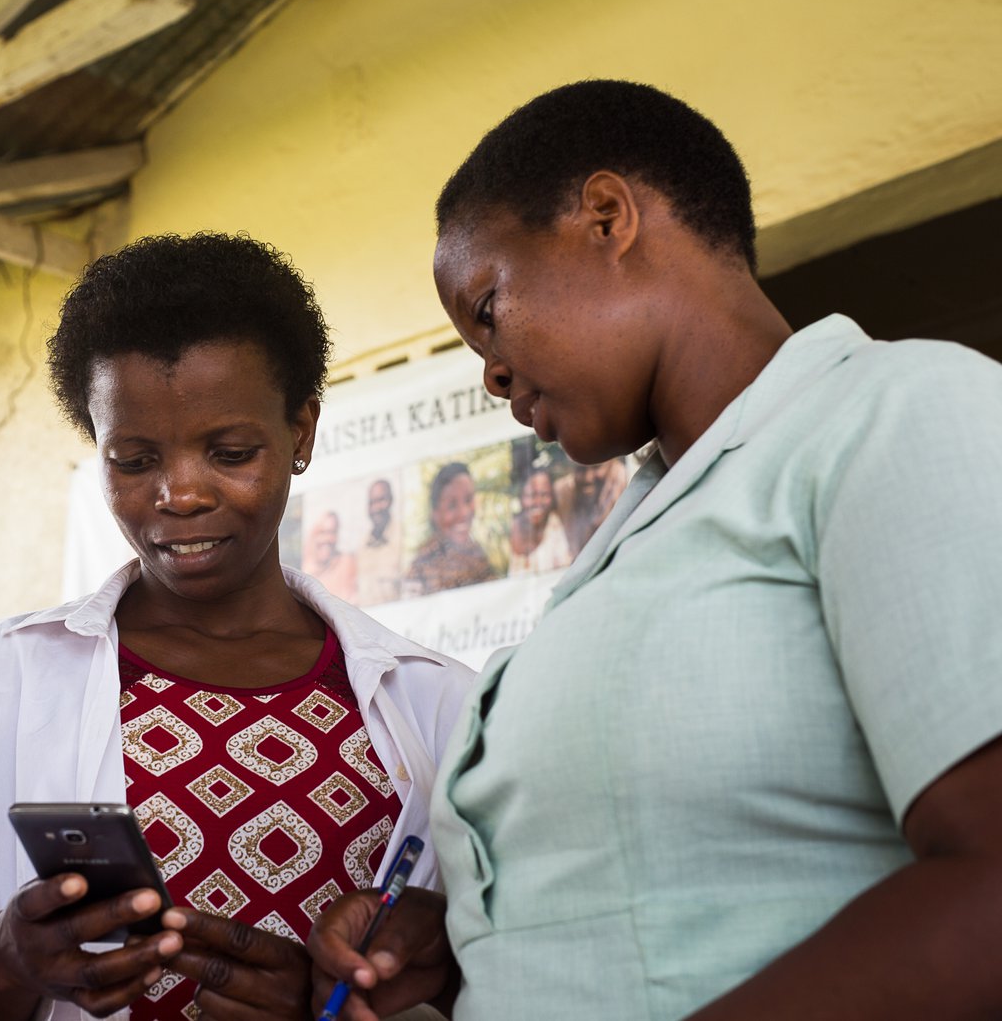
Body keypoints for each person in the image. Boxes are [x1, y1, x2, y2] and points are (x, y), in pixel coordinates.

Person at [308, 80, 1002, 1020]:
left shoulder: (897, 413)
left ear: (607, 217)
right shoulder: (633, 540)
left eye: (489, 308)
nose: (492, 373)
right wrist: (469, 942)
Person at [0, 233, 477, 1021]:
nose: (180, 494)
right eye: (133, 461)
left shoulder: (439, 704)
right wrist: (4, 960)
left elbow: (495, 980)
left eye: (229, 452)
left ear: (301, 432)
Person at [405, 462, 500, 594]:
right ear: (436, 514)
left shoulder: (476, 553)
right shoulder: (422, 564)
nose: (464, 513)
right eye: (452, 505)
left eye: (468, 500)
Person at [506, 466, 571, 576]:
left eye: (544, 494)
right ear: (521, 497)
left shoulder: (556, 527)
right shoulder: (509, 527)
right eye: (532, 495)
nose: (538, 502)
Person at [355, 478, 403, 605]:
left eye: (381, 500)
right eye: (371, 502)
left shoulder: (403, 537)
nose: (376, 508)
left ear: (391, 500)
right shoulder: (362, 546)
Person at [305, 508, 359, 599]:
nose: (328, 539)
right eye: (322, 532)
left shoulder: (346, 562)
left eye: (332, 532)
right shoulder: (306, 571)